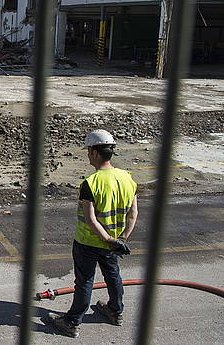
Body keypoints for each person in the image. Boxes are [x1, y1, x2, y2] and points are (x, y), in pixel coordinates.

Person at [48, 129, 139, 338]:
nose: (88, 154)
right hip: (113, 243)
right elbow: (133, 214)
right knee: (113, 276)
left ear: (96, 153)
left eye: (89, 150)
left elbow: (90, 219)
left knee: (84, 282)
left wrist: (105, 238)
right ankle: (115, 311)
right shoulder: (128, 179)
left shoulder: (91, 183)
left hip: (88, 242)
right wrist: (121, 239)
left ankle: (72, 321)